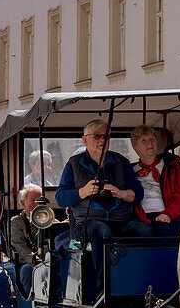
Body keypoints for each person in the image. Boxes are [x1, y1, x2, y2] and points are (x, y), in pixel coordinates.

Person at [56, 119, 144, 286]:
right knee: (102, 230)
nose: (102, 140)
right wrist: (83, 192)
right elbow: (61, 198)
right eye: (97, 136)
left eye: (106, 136)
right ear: (85, 140)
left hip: (121, 220)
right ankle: (104, 287)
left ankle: (142, 282)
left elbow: (138, 193)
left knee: (145, 230)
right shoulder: (74, 164)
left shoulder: (121, 162)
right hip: (88, 223)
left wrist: (121, 193)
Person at [129, 124, 180, 236]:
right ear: (135, 148)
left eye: (152, 139)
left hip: (170, 213)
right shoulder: (130, 170)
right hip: (142, 216)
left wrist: (169, 214)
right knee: (149, 231)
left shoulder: (172, 166)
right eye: (143, 140)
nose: (149, 143)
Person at [9, 184, 43, 284]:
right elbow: (20, 248)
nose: (37, 204)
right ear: (23, 203)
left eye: (40, 201)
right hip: (28, 263)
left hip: (49, 262)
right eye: (33, 201)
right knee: (27, 270)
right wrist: (37, 261)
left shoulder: (50, 221)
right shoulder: (16, 222)